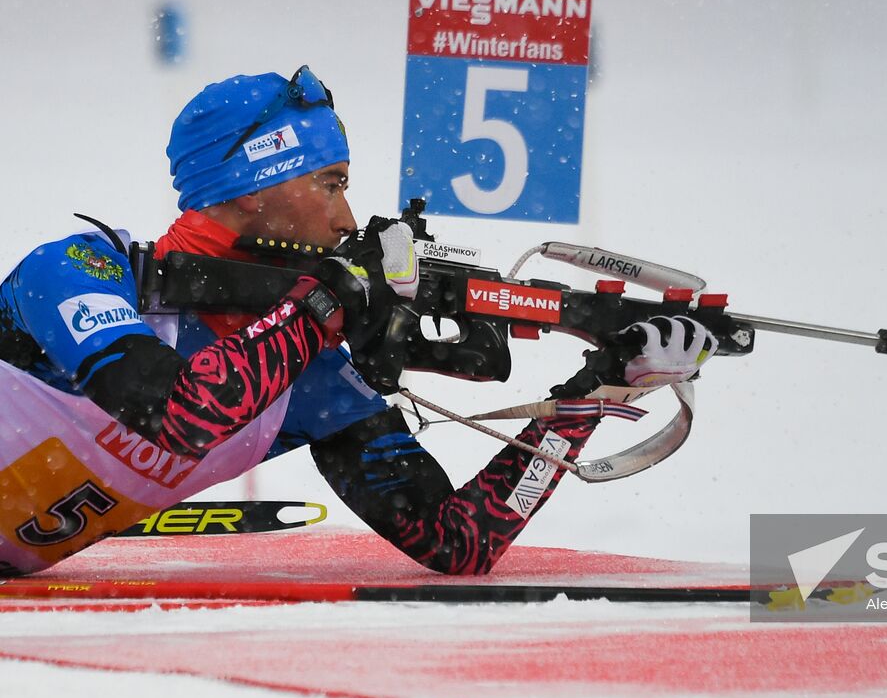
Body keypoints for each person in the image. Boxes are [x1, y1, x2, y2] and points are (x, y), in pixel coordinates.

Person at [0, 67, 715, 577]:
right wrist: (325, 304)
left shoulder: (302, 372)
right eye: (330, 182)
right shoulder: (78, 271)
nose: (346, 217)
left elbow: (457, 543)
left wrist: (596, 389)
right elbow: (177, 409)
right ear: (255, 187)